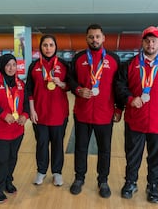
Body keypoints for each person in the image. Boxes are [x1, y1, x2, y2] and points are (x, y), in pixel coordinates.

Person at [116, 26, 158, 203]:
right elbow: (120, 86)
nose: (150, 44)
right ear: (142, 42)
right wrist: (129, 99)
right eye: (147, 40)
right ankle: (130, 182)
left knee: (155, 158)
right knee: (132, 155)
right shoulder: (130, 64)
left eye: (154, 40)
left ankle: (152, 186)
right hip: (135, 120)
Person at [68, 23, 122, 198]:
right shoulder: (78, 58)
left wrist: (119, 108)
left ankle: (103, 181)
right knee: (80, 148)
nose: (94, 40)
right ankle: (79, 178)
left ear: (103, 38)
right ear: (86, 38)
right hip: (82, 113)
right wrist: (78, 90)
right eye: (91, 36)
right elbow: (70, 80)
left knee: (104, 149)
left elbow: (119, 86)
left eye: (97, 36)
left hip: (105, 114)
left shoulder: (114, 59)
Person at [0, 54, 30, 203]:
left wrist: (25, 115)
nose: (11, 68)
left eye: (14, 65)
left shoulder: (21, 84)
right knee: (1, 159)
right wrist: (2, 114)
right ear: (2, 66)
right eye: (8, 65)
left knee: (12, 158)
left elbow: (26, 103)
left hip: (16, 130)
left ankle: (8, 180)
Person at [25, 34, 69, 186]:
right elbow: (28, 89)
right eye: (45, 45)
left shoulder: (63, 64)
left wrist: (62, 83)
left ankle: (57, 172)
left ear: (55, 47)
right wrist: (31, 110)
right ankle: (41, 171)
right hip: (39, 113)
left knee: (58, 144)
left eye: (51, 45)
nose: (48, 48)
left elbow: (71, 85)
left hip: (59, 113)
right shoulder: (34, 65)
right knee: (42, 144)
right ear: (40, 48)